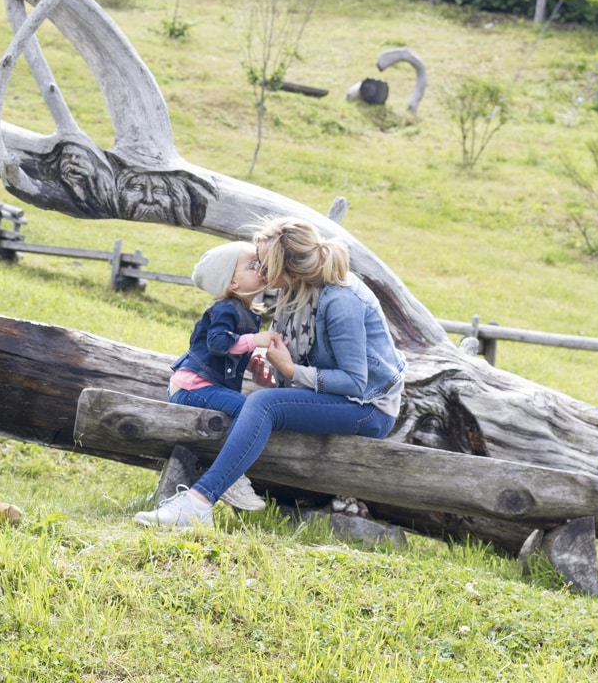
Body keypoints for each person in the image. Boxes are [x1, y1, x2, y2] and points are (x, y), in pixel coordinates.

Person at [135, 217, 407, 528]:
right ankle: (212, 489)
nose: (260, 270)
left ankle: (197, 504)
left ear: (286, 269)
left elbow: (356, 383)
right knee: (258, 401)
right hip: (333, 395)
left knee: (264, 405)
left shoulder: (341, 301)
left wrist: (291, 370)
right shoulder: (294, 291)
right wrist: (277, 374)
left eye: (263, 262)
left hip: (367, 409)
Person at [167, 241, 273, 511]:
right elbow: (217, 343)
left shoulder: (247, 311)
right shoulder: (226, 308)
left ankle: (230, 471)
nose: (260, 268)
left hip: (200, 386)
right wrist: (253, 340)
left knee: (250, 409)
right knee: (251, 410)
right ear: (232, 283)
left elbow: (228, 351)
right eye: (252, 265)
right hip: (193, 387)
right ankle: (231, 477)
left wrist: (251, 363)